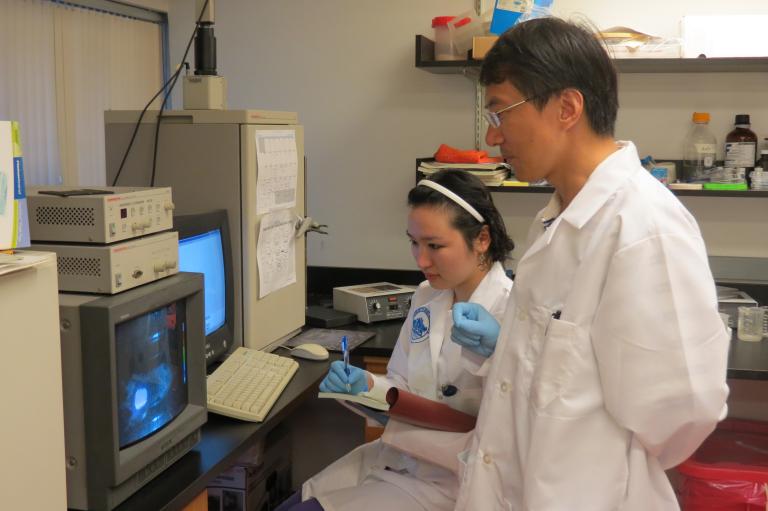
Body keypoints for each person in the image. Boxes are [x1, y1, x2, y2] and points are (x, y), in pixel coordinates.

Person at [450, 17, 730, 510]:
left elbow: (682, 411)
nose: (493, 139)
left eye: (500, 114)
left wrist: (594, 458)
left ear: (566, 107)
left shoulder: (642, 227)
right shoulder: (556, 219)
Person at [276, 169, 514, 511]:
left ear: (482, 239)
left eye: (435, 245)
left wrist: (499, 351)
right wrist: (367, 386)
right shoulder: (426, 297)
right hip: (398, 461)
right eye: (414, 242)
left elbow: (516, 419)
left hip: (455, 484)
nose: (420, 260)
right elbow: (403, 380)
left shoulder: (512, 310)